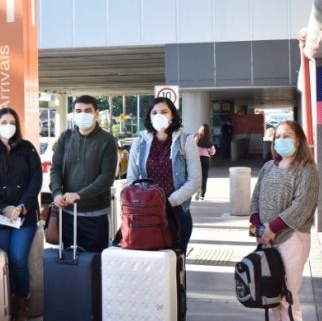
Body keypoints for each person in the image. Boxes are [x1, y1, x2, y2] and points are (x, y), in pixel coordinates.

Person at [249, 120, 319, 321]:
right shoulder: (268, 167)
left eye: (287, 136)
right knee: (272, 292)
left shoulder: (307, 170)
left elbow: (301, 206)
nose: (281, 140)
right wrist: (257, 228)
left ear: (298, 141)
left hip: (292, 238)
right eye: (277, 136)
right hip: (267, 240)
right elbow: (256, 199)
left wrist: (271, 229)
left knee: (288, 293)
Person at [0, 107, 43, 321]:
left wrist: (22, 207)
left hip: (25, 217)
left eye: (12, 122)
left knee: (17, 259)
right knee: (3, 261)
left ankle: (22, 305)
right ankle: (5, 305)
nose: (8, 126)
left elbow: (36, 180)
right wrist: (3, 208)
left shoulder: (27, 149)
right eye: (4, 122)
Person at [125, 97, 201, 253]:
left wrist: (168, 201)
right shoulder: (139, 142)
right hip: (147, 212)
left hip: (177, 212)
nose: (159, 116)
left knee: (175, 262)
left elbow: (195, 181)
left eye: (164, 112)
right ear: (149, 117)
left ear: (172, 115)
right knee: (151, 262)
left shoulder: (186, 141)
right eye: (154, 113)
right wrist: (145, 200)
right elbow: (131, 180)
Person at [49, 95, 118, 254]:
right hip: (67, 214)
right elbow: (56, 169)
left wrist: (79, 195)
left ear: (96, 114)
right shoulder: (66, 137)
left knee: (94, 262)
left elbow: (106, 178)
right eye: (78, 111)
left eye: (88, 110)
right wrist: (56, 193)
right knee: (69, 262)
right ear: (73, 114)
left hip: (96, 216)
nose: (83, 114)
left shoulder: (107, 140)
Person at [194, 124, 216, 201]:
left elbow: (192, 147)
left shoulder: (196, 137)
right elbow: (213, 152)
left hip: (197, 159)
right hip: (206, 159)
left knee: (197, 177)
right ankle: (202, 195)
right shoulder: (209, 140)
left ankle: (197, 190)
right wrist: (208, 151)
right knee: (204, 177)